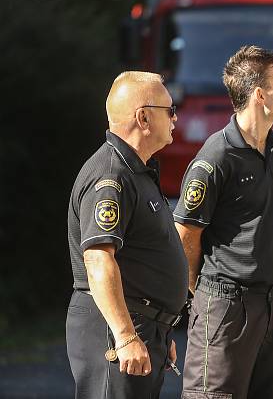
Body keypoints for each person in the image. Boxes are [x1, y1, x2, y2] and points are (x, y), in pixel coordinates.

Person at [175, 46, 273, 398]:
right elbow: (186, 233)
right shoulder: (215, 157)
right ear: (260, 95)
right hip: (225, 305)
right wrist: (204, 294)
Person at [66, 71, 189, 399]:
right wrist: (125, 336)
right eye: (170, 109)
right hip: (114, 331)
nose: (176, 118)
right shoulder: (111, 175)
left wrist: (159, 330)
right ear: (144, 117)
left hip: (143, 328)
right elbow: (97, 259)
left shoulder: (138, 171)